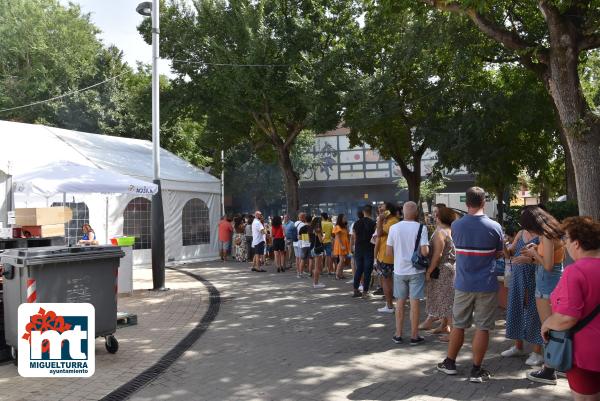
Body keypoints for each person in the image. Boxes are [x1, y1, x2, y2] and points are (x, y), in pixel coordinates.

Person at [436, 187, 504, 383]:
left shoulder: (457, 226)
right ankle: (476, 369)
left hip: (463, 283)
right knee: (483, 328)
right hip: (486, 284)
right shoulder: (495, 227)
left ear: (466, 203)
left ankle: (450, 363)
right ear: (484, 202)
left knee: (458, 324)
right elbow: (499, 253)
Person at [541, 216, 600, 401]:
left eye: (566, 240)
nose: (564, 244)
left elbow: (567, 318)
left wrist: (547, 324)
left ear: (576, 243)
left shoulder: (575, 271)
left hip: (586, 353)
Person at [520, 206, 566, 384]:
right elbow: (552, 256)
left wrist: (533, 253)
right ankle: (559, 365)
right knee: (556, 327)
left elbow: (547, 265)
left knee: (547, 327)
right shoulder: (551, 233)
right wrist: (536, 247)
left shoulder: (546, 237)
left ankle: (549, 369)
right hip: (553, 284)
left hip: (546, 285)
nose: (527, 230)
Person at [500, 206, 544, 367]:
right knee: (516, 309)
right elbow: (510, 253)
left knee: (534, 312)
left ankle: (537, 351)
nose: (520, 220)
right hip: (517, 278)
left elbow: (547, 261)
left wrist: (530, 260)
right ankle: (518, 346)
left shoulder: (542, 236)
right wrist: (503, 245)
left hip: (535, 278)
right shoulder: (520, 233)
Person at [386, 201, 429, 346]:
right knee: (415, 303)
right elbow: (424, 252)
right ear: (416, 213)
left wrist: (400, 256)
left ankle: (398, 334)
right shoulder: (421, 228)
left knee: (400, 302)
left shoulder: (393, 228)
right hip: (416, 271)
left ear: (403, 212)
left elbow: (388, 252)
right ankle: (414, 336)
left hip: (399, 270)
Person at [422, 206, 457, 342]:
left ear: (440, 217)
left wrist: (429, 271)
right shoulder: (450, 230)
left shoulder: (440, 232)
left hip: (442, 269)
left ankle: (453, 333)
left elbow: (438, 254)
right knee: (447, 297)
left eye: (436, 214)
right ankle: (444, 326)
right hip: (450, 267)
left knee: (447, 299)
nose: (434, 216)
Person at [375, 202, 399, 313]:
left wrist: (379, 220)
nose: (380, 210)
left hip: (387, 257)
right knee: (387, 281)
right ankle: (390, 304)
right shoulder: (389, 221)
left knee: (386, 281)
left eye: (383, 209)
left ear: (389, 211)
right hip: (385, 255)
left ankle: (389, 306)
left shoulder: (393, 222)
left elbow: (379, 234)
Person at [352, 205, 377, 298]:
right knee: (367, 271)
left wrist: (354, 247)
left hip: (358, 248)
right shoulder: (373, 223)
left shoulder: (356, 223)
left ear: (363, 212)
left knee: (359, 269)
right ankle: (365, 292)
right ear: (371, 212)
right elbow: (375, 237)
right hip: (369, 248)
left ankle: (355, 290)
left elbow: (355, 237)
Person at [333, 214, 351, 280]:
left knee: (343, 260)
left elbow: (348, 234)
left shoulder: (344, 226)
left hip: (344, 244)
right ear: (340, 219)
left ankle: (340, 274)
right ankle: (337, 275)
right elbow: (337, 237)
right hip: (341, 245)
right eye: (344, 218)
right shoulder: (337, 226)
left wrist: (347, 227)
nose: (345, 219)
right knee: (341, 260)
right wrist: (341, 245)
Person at [310, 216, 326, 288]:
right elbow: (321, 240)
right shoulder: (318, 229)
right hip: (318, 249)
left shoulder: (311, 229)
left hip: (312, 248)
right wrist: (324, 237)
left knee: (315, 266)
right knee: (317, 267)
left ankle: (315, 282)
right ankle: (316, 283)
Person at [294, 213, 309, 278]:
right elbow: (304, 236)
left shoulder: (295, 223)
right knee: (301, 258)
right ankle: (300, 272)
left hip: (294, 242)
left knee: (297, 258)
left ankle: (298, 271)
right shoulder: (303, 225)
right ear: (303, 217)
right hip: (300, 242)